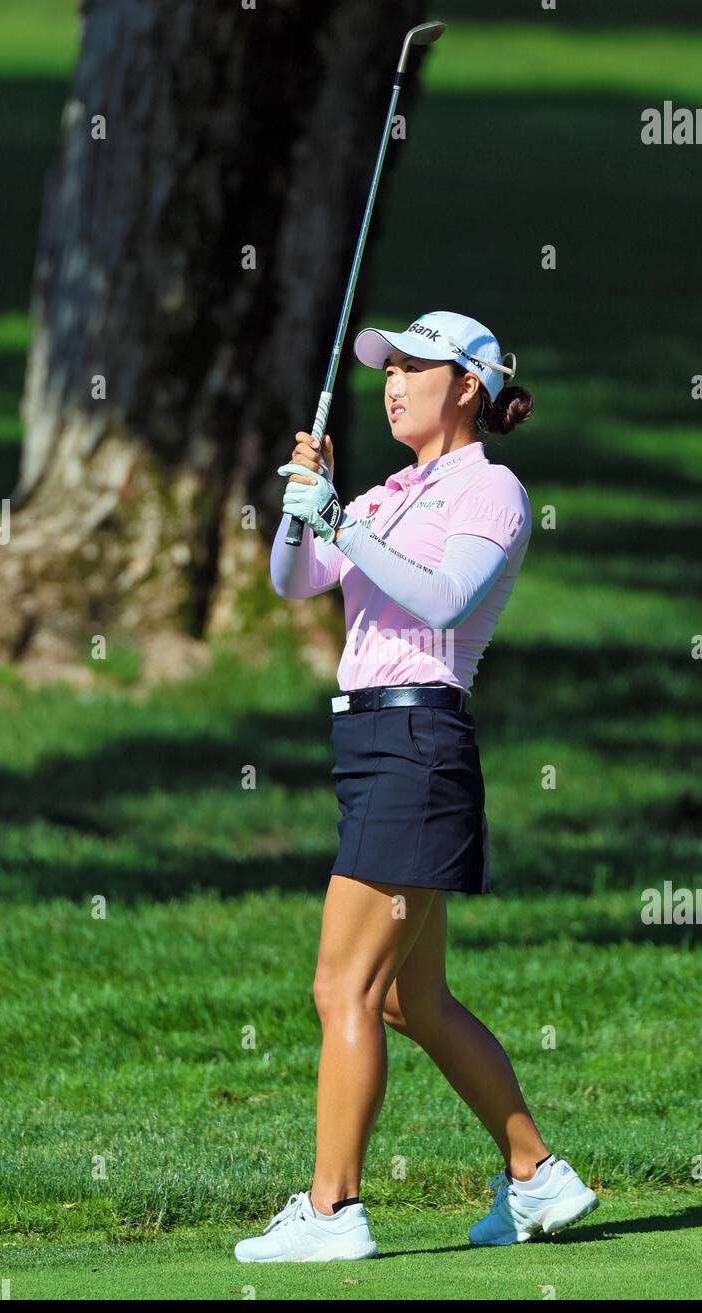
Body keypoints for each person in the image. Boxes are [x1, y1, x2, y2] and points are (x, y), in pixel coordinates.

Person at [234, 311, 598, 1263]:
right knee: (409, 1002)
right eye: (386, 370)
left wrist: (341, 515)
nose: (392, 383)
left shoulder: (493, 491)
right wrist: (302, 503)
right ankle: (538, 1177)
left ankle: (334, 1210)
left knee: (341, 985)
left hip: (417, 741)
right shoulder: (396, 489)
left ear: (467, 385)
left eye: (414, 368)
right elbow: (293, 581)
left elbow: (442, 599)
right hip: (372, 744)